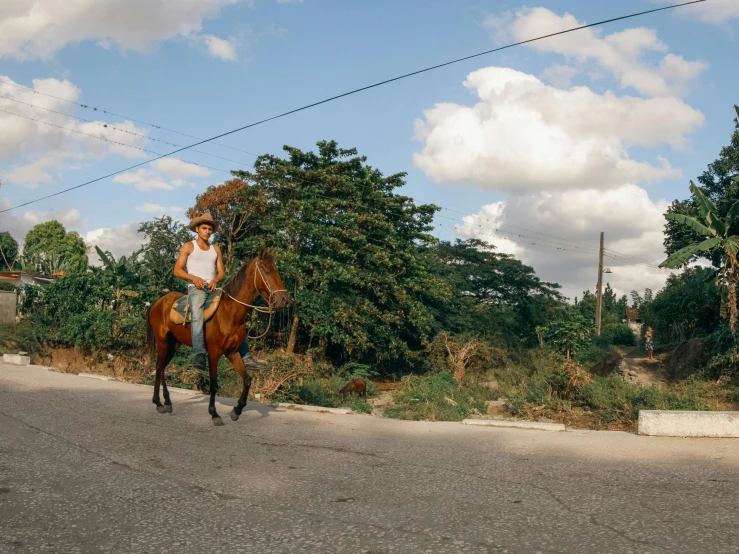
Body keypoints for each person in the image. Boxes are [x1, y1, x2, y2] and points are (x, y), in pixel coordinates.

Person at [174, 212, 266, 372]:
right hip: (196, 289)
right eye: (204, 228)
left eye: (210, 228)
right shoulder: (189, 246)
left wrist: (215, 280)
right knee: (197, 314)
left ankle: (246, 357)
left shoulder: (215, 249)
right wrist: (193, 278)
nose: (207, 231)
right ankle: (199, 354)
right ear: (197, 229)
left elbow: (221, 273)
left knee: (234, 315)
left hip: (213, 288)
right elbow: (177, 270)